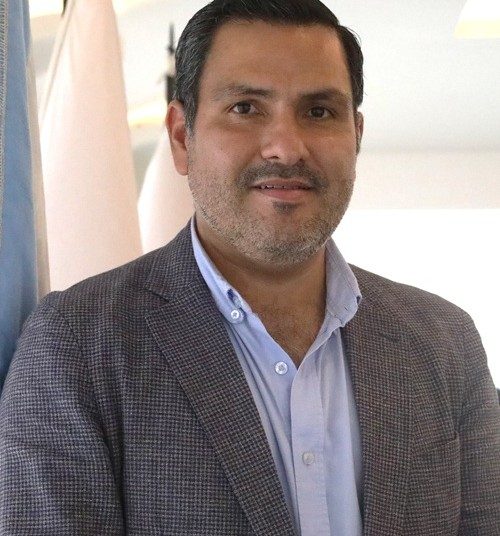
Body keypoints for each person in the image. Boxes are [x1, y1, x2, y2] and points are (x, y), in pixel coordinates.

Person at [0, 0, 499, 534]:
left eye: (319, 112)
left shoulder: (445, 342)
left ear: (356, 136)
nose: (286, 148)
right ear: (182, 136)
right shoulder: (77, 344)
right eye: (245, 108)